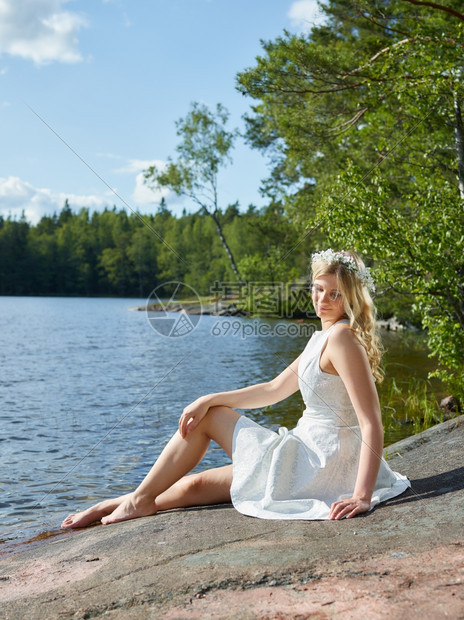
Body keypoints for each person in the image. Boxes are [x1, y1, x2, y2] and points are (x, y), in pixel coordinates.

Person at [61, 249, 409, 529]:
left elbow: (371, 422)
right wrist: (211, 396)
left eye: (334, 293)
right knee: (197, 486)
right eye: (319, 289)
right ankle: (124, 502)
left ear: (349, 297)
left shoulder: (342, 338)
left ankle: (137, 500)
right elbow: (273, 389)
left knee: (209, 419)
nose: (323, 299)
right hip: (305, 455)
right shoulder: (322, 337)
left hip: (322, 463)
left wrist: (362, 495)